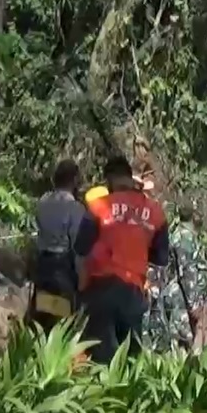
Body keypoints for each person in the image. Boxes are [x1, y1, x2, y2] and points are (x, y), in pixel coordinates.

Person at [74, 155, 170, 364]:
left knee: (100, 359)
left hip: (101, 291)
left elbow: (81, 248)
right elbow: (161, 258)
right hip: (133, 294)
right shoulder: (155, 212)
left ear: (109, 180)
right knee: (129, 360)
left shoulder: (99, 206)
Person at [27, 159, 87, 332]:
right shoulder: (75, 208)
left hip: (42, 265)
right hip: (63, 269)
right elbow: (78, 246)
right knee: (62, 325)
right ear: (74, 180)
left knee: (41, 320)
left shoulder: (43, 201)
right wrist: (82, 279)